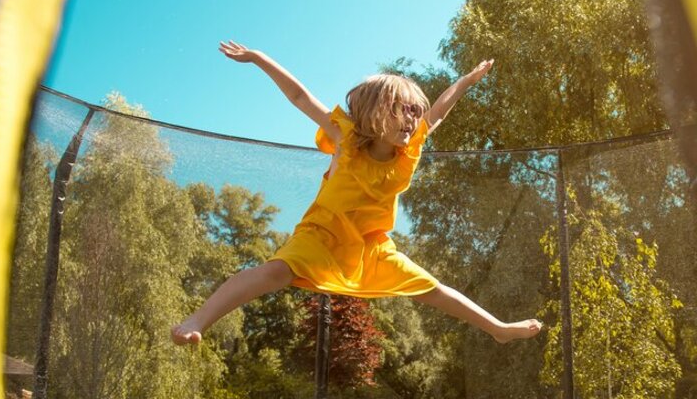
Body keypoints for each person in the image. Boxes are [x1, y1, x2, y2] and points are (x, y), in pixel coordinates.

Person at [171, 40, 542, 345]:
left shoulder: (408, 152)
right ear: (372, 113)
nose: (413, 119)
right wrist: (259, 58)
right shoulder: (344, 138)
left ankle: (497, 330)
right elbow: (300, 97)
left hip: (371, 245)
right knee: (273, 273)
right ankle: (199, 319)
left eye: (416, 112)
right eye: (402, 110)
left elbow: (439, 112)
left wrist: (466, 80)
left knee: (429, 287)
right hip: (322, 236)